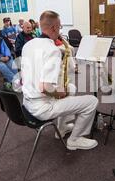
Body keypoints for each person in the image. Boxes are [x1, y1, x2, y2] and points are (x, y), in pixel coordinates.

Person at [21, 10, 99, 150]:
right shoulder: (52, 50)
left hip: (26, 103)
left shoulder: (28, 45)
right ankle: (75, 139)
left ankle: (61, 128)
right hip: (43, 107)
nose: (60, 30)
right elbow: (45, 87)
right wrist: (60, 94)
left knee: (72, 88)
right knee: (92, 102)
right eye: (60, 27)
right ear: (54, 28)